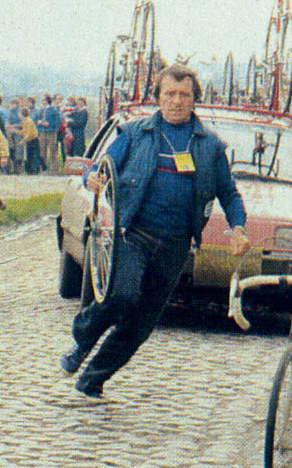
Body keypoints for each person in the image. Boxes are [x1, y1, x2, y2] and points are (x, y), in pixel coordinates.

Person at [60, 64, 251, 399]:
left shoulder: (210, 146)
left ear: (195, 100)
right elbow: (105, 165)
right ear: (158, 97)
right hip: (134, 234)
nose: (176, 101)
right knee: (121, 295)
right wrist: (94, 177)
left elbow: (229, 193)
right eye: (170, 94)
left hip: (176, 244)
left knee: (142, 322)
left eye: (184, 95)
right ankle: (82, 339)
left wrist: (238, 228)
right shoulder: (136, 133)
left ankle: (93, 378)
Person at [38, 94, 62, 172]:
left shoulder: (53, 110)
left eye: (44, 100)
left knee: (53, 150)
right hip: (42, 132)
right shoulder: (41, 110)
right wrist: (40, 123)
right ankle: (43, 168)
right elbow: (37, 119)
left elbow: (58, 121)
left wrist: (50, 124)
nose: (42, 102)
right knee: (42, 150)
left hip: (51, 132)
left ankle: (54, 169)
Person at [17, 107, 45, 174]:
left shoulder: (29, 122)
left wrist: (23, 140)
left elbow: (29, 134)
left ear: (22, 114)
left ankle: (39, 169)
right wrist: (14, 130)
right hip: (29, 141)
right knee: (29, 156)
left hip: (33, 140)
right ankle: (30, 171)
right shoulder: (24, 122)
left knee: (35, 156)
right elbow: (24, 132)